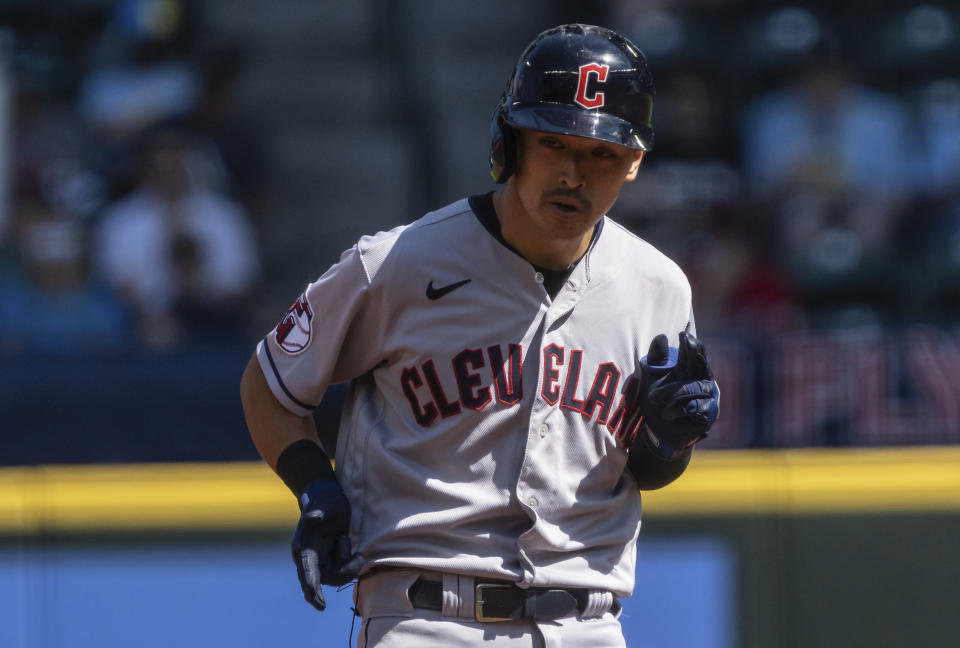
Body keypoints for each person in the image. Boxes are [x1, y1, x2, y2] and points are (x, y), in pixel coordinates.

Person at [240, 24, 719, 648]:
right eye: (553, 143)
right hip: (426, 617)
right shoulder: (397, 264)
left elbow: (642, 472)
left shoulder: (660, 288)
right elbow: (270, 383)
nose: (574, 173)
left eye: (600, 153)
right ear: (511, 143)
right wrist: (315, 484)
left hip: (588, 624)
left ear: (633, 163)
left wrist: (668, 442)